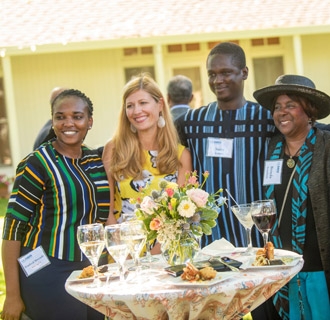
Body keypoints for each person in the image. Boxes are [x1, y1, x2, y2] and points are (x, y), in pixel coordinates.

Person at [1, 89, 110, 320]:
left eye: (77, 116)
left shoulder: (95, 161)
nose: (68, 123)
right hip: (48, 267)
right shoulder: (36, 163)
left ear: (89, 121)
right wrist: (12, 295)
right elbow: (12, 228)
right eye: (60, 117)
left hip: (93, 269)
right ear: (52, 121)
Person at [175, 42, 276, 249]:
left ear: (244, 72)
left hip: (261, 234)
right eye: (212, 74)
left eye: (226, 73)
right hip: (211, 240)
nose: (217, 80)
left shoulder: (266, 119)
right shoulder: (192, 123)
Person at [253, 74, 330, 320]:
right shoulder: (271, 149)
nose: (281, 112)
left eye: (290, 105)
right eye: (277, 107)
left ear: (309, 112)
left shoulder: (326, 146)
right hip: (281, 270)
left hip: (319, 269)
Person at [102, 73, 192, 230]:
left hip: (168, 248)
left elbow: (182, 214)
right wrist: (123, 249)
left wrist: (153, 253)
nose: (137, 111)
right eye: (130, 105)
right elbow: (105, 209)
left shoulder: (181, 155)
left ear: (160, 105)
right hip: (123, 247)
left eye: (143, 103)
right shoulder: (113, 149)